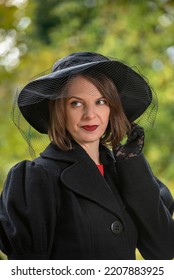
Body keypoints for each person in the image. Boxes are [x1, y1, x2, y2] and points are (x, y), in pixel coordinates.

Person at [0, 51, 173, 260]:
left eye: (101, 101)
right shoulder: (36, 178)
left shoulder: (125, 173)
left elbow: (162, 250)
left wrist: (132, 165)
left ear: (112, 108)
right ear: (59, 110)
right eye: (76, 103)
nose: (90, 115)